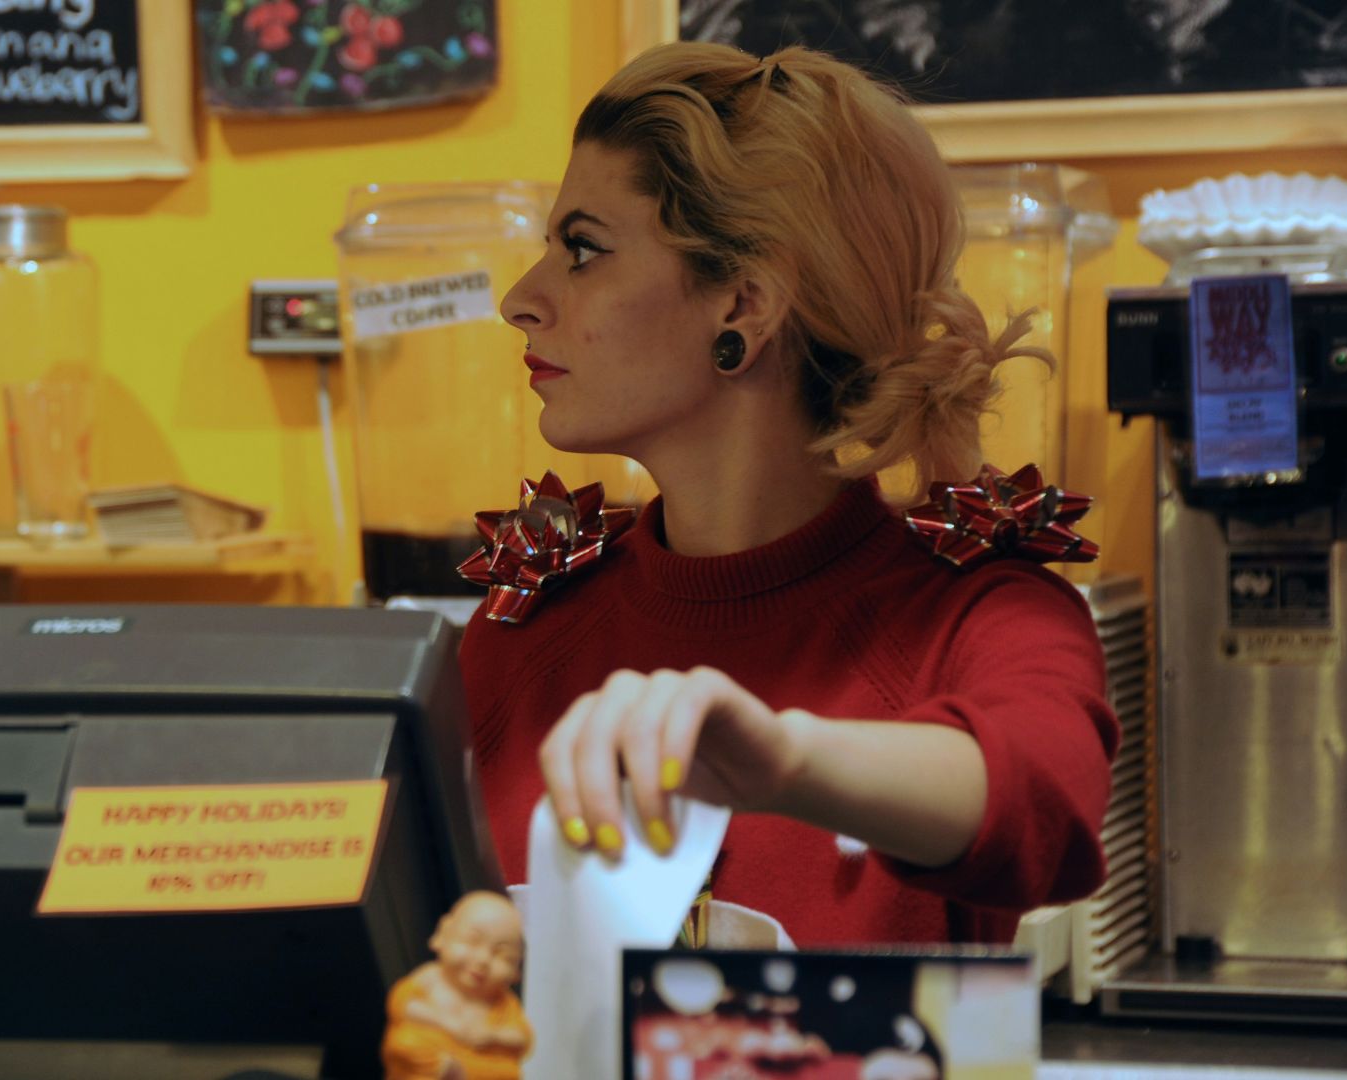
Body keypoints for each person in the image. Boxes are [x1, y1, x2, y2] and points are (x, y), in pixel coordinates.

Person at [460, 42, 1119, 945]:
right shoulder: (520, 631)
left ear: (744, 305)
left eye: (582, 251)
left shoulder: (980, 617)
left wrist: (784, 760)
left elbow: (1045, 804)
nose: (521, 300)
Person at [381, 891, 532, 1080]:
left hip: (477, 1065)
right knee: (405, 1042)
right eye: (472, 941)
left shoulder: (502, 1002)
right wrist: (447, 1023)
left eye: (502, 955)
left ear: (516, 970)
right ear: (442, 933)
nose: (483, 960)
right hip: (434, 1057)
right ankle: (445, 1069)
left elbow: (522, 1039)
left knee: (508, 1071)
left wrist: (492, 1036)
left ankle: (457, 1073)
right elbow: (401, 1005)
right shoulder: (431, 977)